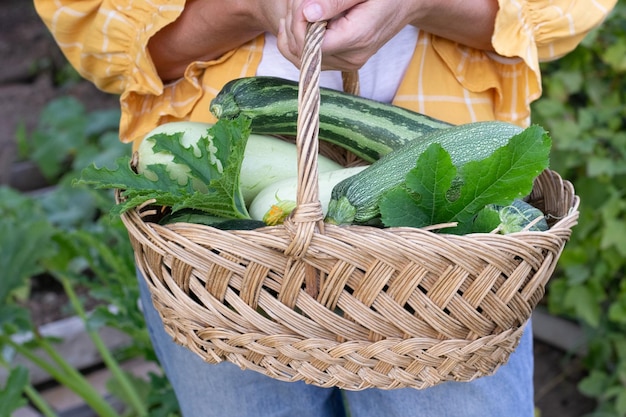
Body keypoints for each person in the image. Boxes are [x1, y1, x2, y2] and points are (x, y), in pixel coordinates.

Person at [34, 1, 616, 416]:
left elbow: (567, 10)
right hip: (219, 245)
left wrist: (421, 4)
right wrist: (248, 9)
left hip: (449, 256)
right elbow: (95, 29)